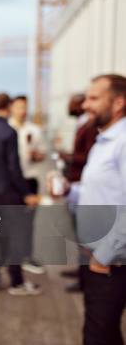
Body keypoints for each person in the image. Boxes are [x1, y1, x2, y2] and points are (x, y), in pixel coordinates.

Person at [57, 74, 126, 345]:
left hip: (110, 260)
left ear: (119, 102)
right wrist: (69, 190)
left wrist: (105, 253)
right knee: (106, 340)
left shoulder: (122, 142)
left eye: (94, 98)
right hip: (96, 254)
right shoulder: (103, 140)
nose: (85, 104)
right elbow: (101, 192)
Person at [0, 92, 41, 296]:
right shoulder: (8, 131)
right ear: (10, 106)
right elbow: (13, 168)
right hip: (8, 192)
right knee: (15, 238)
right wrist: (26, 193)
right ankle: (16, 282)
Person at [59, 93, 98, 292]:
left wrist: (70, 156)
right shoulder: (85, 124)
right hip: (77, 186)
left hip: (82, 186)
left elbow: (90, 155)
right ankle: (81, 272)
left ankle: (84, 279)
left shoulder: (90, 127)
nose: (81, 104)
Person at [8, 95, 47, 275]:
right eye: (18, 107)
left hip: (29, 178)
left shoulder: (34, 130)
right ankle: (11, 257)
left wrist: (36, 155)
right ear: (11, 108)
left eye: (24, 107)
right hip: (12, 181)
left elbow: (43, 153)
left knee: (29, 221)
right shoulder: (6, 129)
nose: (22, 111)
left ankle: (26, 255)